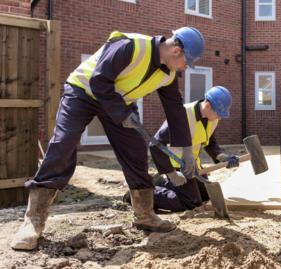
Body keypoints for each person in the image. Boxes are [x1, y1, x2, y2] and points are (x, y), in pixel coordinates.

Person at [11, 27, 205, 251]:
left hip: (119, 102)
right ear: (176, 51)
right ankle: (33, 222)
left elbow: (175, 110)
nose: (184, 69)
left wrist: (188, 150)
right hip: (83, 92)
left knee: (136, 152)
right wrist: (122, 115)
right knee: (63, 144)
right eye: (186, 63)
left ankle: (144, 214)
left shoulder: (168, 74)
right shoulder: (130, 46)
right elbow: (99, 81)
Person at [124, 86, 240, 212]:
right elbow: (155, 146)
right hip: (176, 167)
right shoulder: (182, 115)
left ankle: (163, 183)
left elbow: (210, 142)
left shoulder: (212, 119)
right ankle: (140, 193)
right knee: (189, 203)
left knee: (205, 196)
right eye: (218, 113)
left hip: (193, 166)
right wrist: (172, 174)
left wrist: (221, 157)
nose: (220, 118)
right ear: (207, 106)